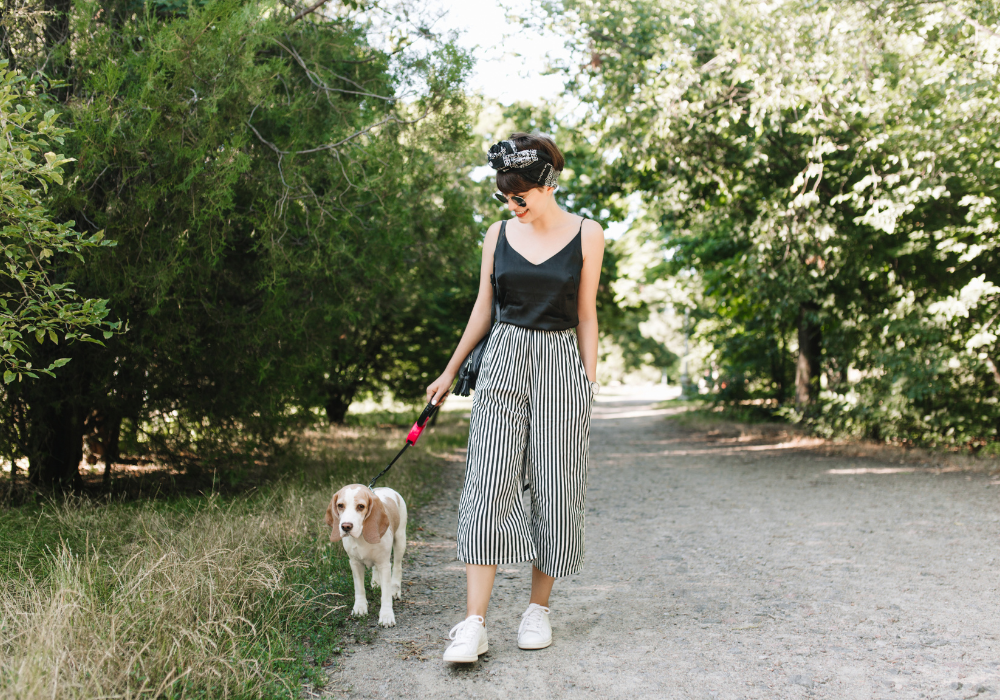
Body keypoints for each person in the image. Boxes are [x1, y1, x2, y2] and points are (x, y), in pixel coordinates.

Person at [425, 132, 605, 662]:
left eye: (519, 196)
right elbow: (483, 308)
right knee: (487, 485)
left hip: (561, 366)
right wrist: (449, 370)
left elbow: (588, 313)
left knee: (557, 487)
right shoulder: (497, 234)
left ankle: (537, 610)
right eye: (505, 196)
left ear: (547, 186)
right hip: (503, 357)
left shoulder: (587, 233)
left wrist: (587, 383)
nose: (512, 205)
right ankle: (473, 624)